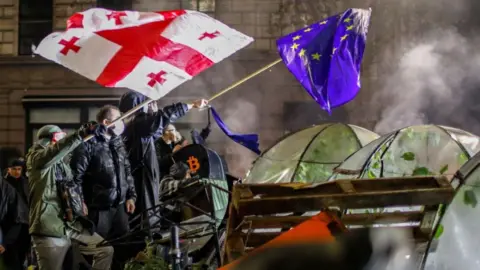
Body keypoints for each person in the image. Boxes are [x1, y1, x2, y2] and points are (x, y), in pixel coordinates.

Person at [27, 124, 114, 270]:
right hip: (49, 227)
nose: (61, 140)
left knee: (105, 249)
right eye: (58, 137)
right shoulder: (36, 158)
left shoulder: (62, 163)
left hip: (71, 224)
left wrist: (80, 203)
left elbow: (70, 186)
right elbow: (54, 151)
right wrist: (80, 134)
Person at [118, 91, 208, 232]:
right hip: (143, 186)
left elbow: (154, 131)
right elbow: (164, 116)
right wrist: (191, 105)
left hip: (141, 183)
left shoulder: (131, 128)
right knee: (146, 226)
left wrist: (152, 116)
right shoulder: (139, 124)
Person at [70, 105, 136, 270]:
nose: (122, 123)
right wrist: (80, 202)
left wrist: (131, 195)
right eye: (118, 119)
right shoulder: (87, 143)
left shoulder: (117, 142)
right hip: (98, 209)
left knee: (122, 248)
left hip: (119, 206)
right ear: (106, 122)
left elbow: (127, 170)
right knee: (98, 251)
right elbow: (75, 177)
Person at [3, 158, 30, 270]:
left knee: (22, 254)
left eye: (19, 169)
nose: (17, 172)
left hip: (24, 223)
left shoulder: (25, 182)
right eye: (14, 169)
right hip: (10, 223)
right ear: (9, 170)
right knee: (12, 255)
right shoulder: (5, 184)